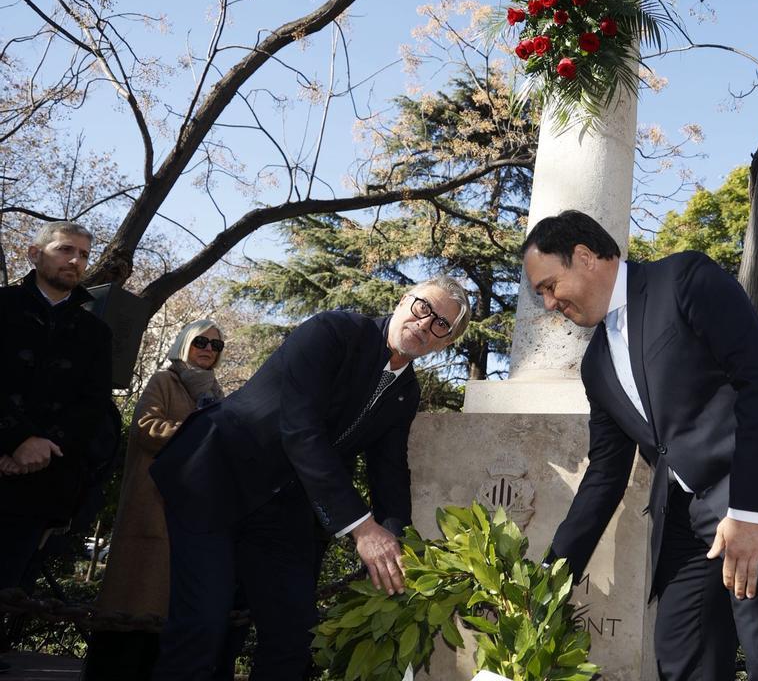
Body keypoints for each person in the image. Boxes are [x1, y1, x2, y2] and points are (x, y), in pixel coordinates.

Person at [521, 210, 758, 680]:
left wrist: (752, 512)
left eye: (550, 286)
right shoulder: (595, 365)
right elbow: (604, 473)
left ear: (584, 256)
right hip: (685, 523)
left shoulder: (683, 278)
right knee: (682, 658)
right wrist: (549, 579)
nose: (550, 304)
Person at [149, 277, 471, 680]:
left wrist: (401, 549)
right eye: (423, 307)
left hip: (284, 508)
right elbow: (300, 431)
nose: (425, 324)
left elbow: (388, 473)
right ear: (404, 300)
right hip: (215, 479)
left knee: (293, 636)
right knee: (202, 626)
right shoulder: (333, 331)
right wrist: (362, 529)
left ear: (445, 342)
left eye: (441, 324)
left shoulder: (406, 393)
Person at [87, 320, 228, 680]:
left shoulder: (215, 392)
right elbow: (146, 428)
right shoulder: (166, 380)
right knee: (131, 609)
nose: (208, 349)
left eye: (216, 346)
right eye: (201, 341)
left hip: (191, 516)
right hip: (151, 511)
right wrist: (200, 432)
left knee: (168, 619)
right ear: (184, 342)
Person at [0, 221, 113, 591]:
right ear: (35, 254)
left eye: (83, 254)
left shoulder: (96, 333)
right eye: (65, 249)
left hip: (41, 484)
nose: (75, 261)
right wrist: (15, 441)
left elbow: (92, 404)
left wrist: (40, 448)